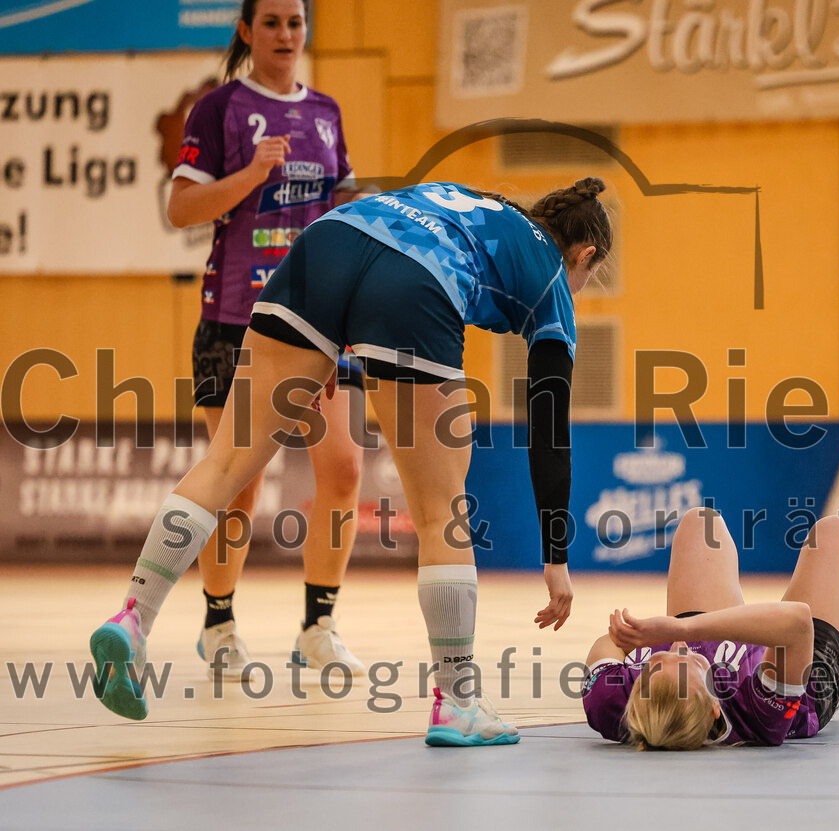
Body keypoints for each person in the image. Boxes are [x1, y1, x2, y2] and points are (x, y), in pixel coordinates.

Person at [90, 177, 613, 747]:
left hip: (323, 247)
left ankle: (133, 617)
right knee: (442, 511)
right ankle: (458, 702)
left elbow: (378, 243)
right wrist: (556, 555)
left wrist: (326, 354)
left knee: (226, 462)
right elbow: (549, 429)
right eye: (588, 276)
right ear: (583, 254)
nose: (579, 289)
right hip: (415, 280)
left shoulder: (472, 201)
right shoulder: (552, 277)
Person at [168, 0, 366, 680]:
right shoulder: (217, 110)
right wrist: (252, 174)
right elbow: (180, 209)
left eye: (296, 22)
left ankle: (318, 624)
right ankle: (218, 622)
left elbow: (343, 222)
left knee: (343, 469)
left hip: (315, 325)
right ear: (247, 31)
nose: (287, 34)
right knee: (240, 484)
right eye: (273, 22)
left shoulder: (327, 113)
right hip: (234, 323)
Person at [583, 506, 839, 749]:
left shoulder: (609, 704)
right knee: (838, 533)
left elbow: (607, 645)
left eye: (652, 665)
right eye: (688, 661)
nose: (677, 648)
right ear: (715, 708)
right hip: (797, 665)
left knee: (701, 523)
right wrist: (681, 629)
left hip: (717, 642)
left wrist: (632, 636)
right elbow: (796, 623)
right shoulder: (759, 713)